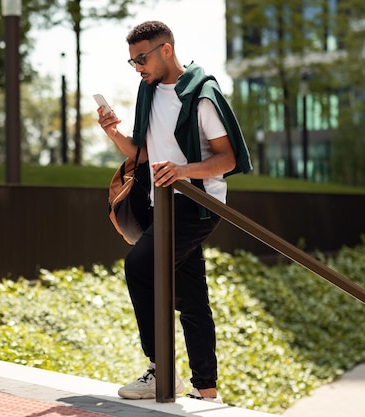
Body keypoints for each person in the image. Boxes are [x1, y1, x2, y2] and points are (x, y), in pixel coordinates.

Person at [97, 21, 252, 403]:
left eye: (142, 58)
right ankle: (207, 389)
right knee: (192, 295)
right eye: (131, 61)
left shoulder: (201, 95)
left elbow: (227, 158)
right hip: (159, 203)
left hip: (196, 205)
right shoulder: (147, 91)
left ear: (166, 50)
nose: (137, 68)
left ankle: (159, 368)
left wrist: (183, 171)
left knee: (139, 266)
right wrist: (114, 132)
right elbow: (145, 154)